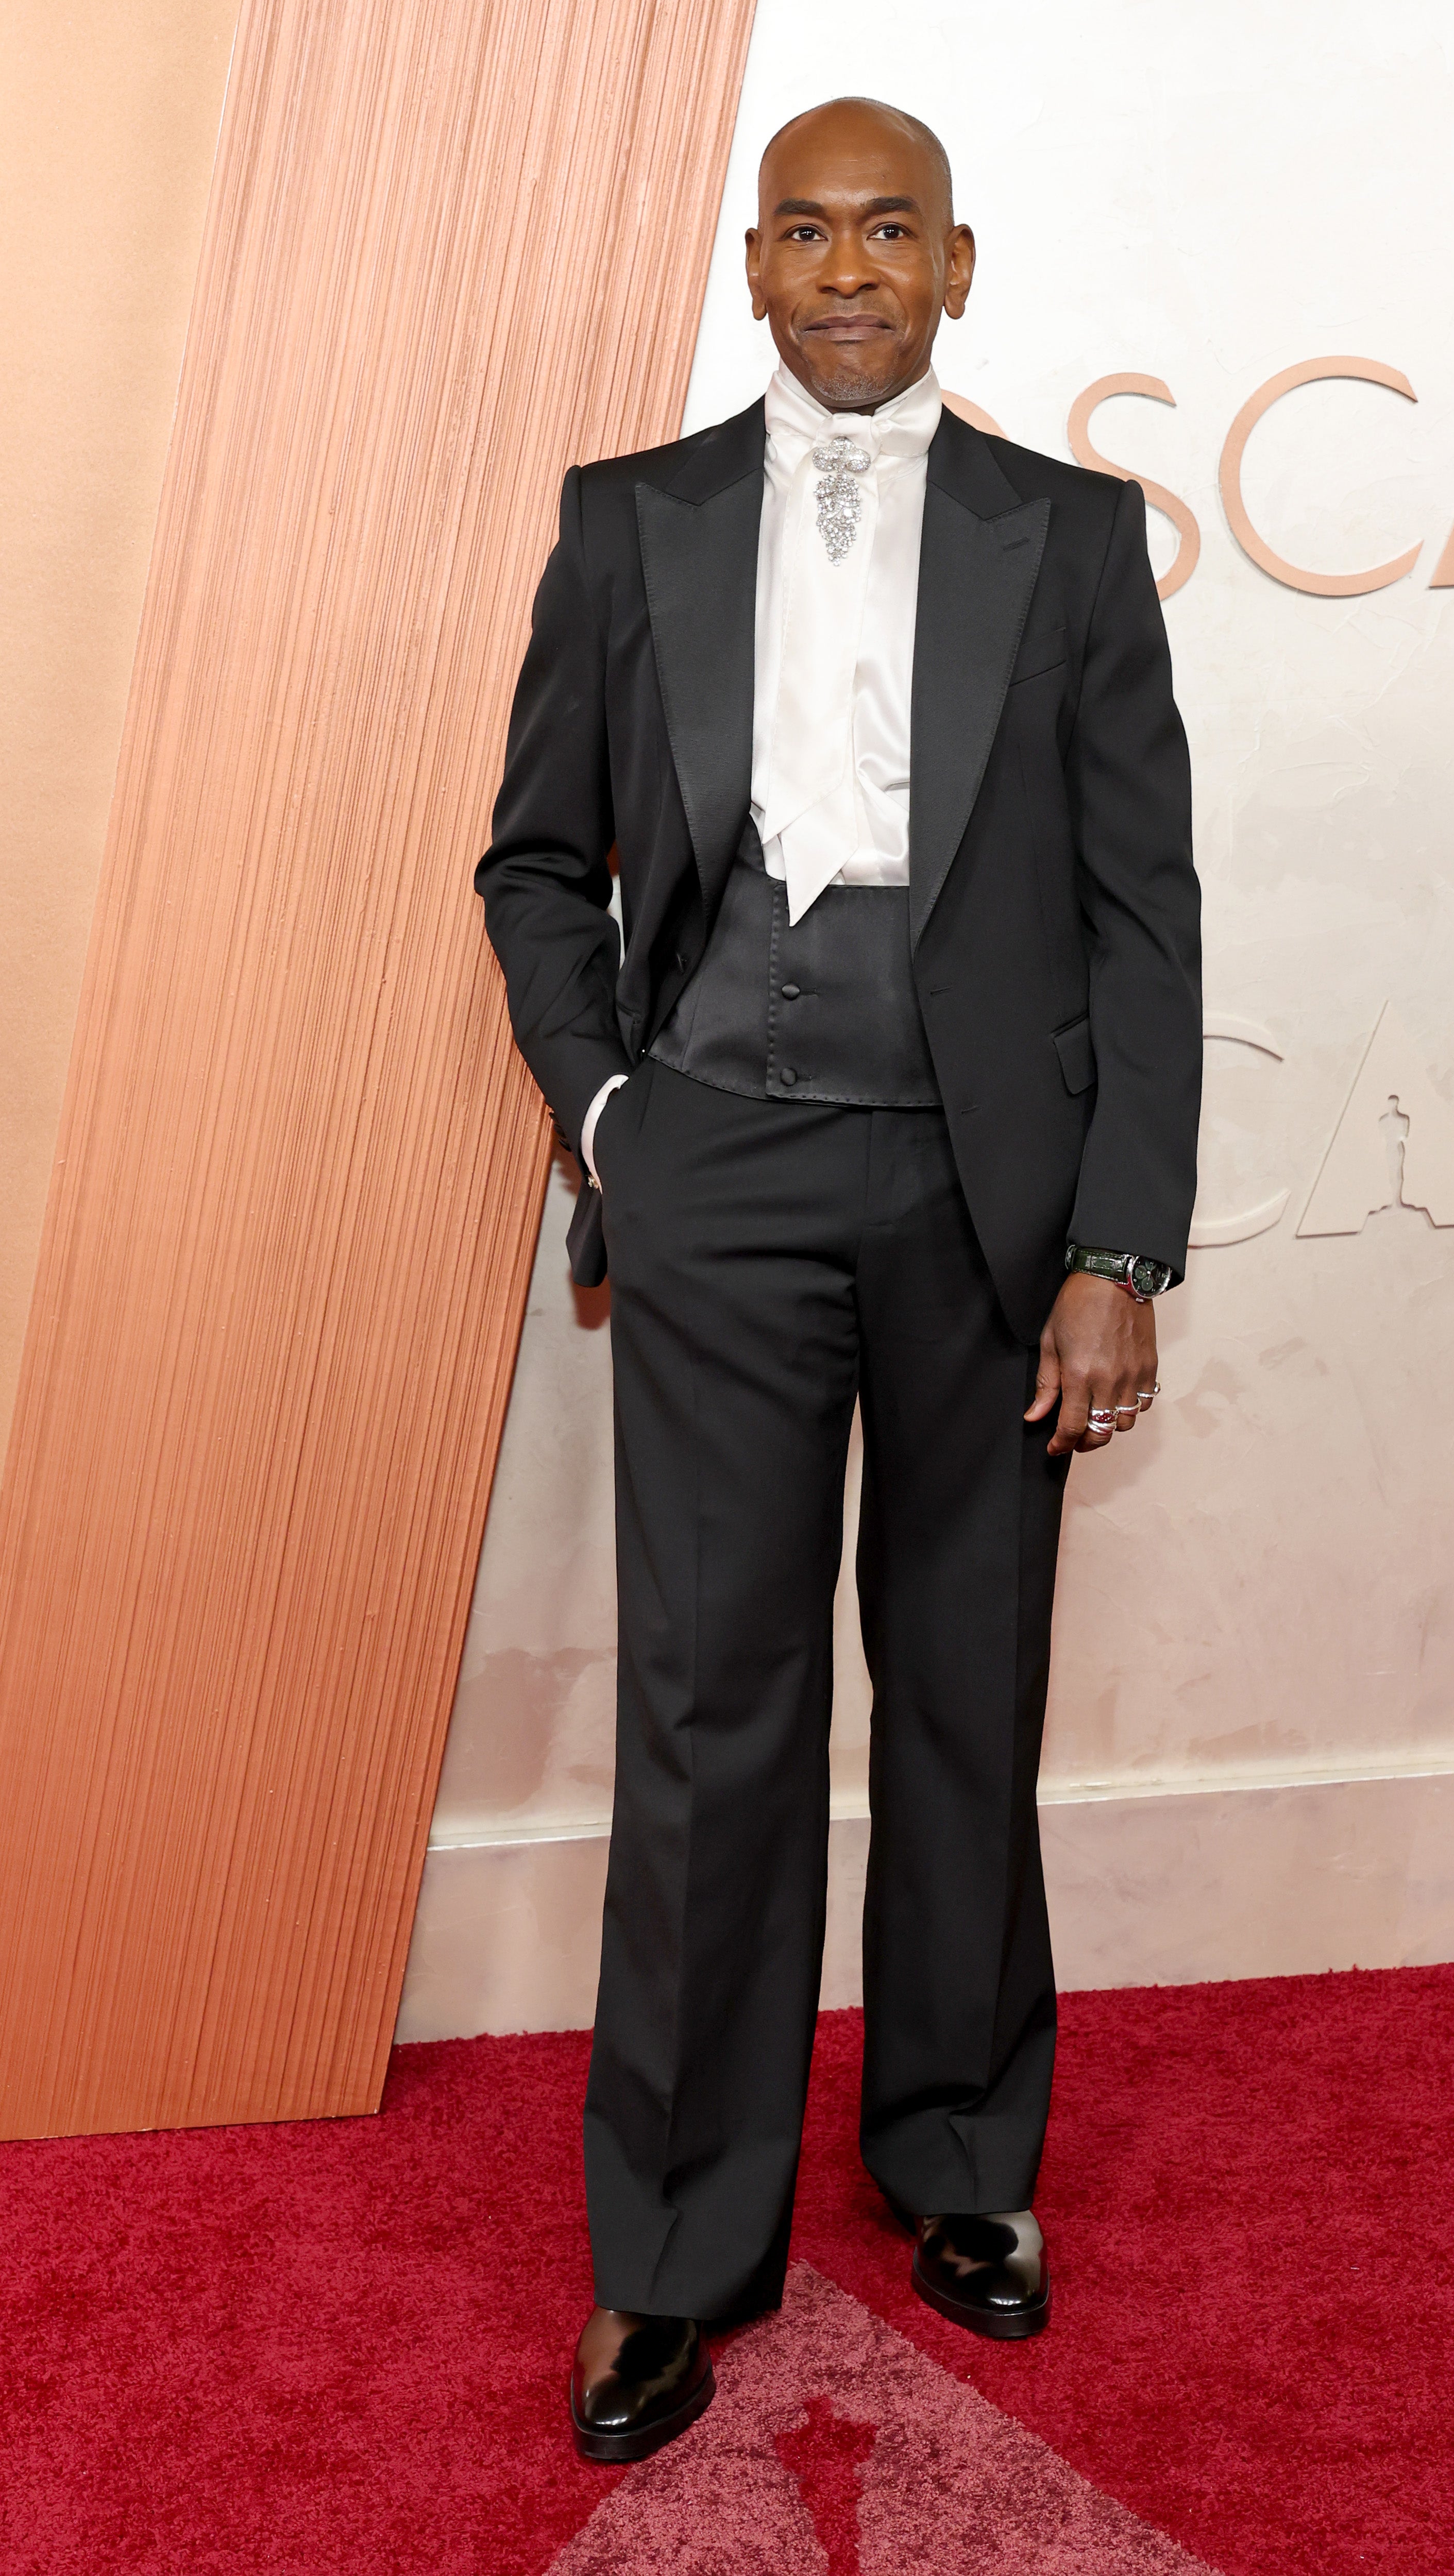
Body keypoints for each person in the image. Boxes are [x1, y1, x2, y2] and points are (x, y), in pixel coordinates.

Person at [476, 95, 1201, 2463]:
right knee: (710, 1722)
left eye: (896, 230)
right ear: (756, 265)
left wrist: (1115, 1241)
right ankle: (673, 2253)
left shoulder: (1070, 537)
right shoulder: (633, 521)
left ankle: (963, 2161)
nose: (853, 267)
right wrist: (613, 1123)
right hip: (721, 1184)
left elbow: (1140, 917)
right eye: (810, 230)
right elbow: (531, 864)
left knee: (972, 1694)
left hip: (990, 1199)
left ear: (961, 267)